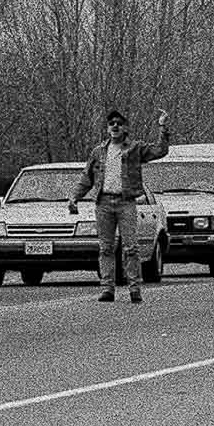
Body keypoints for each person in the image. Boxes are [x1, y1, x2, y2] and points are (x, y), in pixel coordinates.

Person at [69, 107, 171, 302]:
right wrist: (74, 197)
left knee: (130, 247)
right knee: (106, 248)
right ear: (107, 128)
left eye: (119, 123)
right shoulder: (98, 152)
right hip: (103, 203)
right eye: (111, 123)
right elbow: (86, 178)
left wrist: (162, 128)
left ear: (125, 128)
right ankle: (107, 288)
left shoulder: (135, 149)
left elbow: (160, 150)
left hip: (126, 203)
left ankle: (134, 289)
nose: (115, 126)